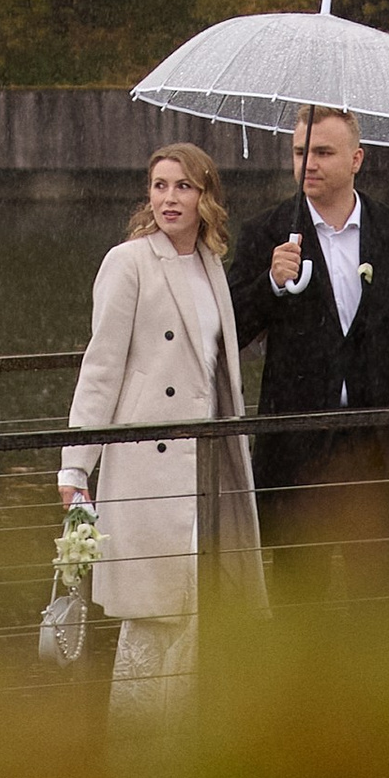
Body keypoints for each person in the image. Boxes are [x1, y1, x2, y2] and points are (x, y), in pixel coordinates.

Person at [59, 142, 264, 715]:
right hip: (150, 467)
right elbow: (101, 367)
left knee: (204, 602)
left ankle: (189, 733)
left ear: (206, 197)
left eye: (183, 187)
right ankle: (140, 740)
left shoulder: (211, 266)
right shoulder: (128, 262)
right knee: (156, 613)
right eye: (159, 186)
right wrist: (75, 467)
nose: (169, 199)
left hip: (209, 466)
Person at [231, 105, 389, 601]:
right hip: (299, 445)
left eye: (323, 152)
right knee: (298, 602)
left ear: (357, 159)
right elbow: (230, 329)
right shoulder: (267, 234)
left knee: (376, 603)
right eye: (299, 152)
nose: (307, 163)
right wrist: (271, 282)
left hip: (382, 446)